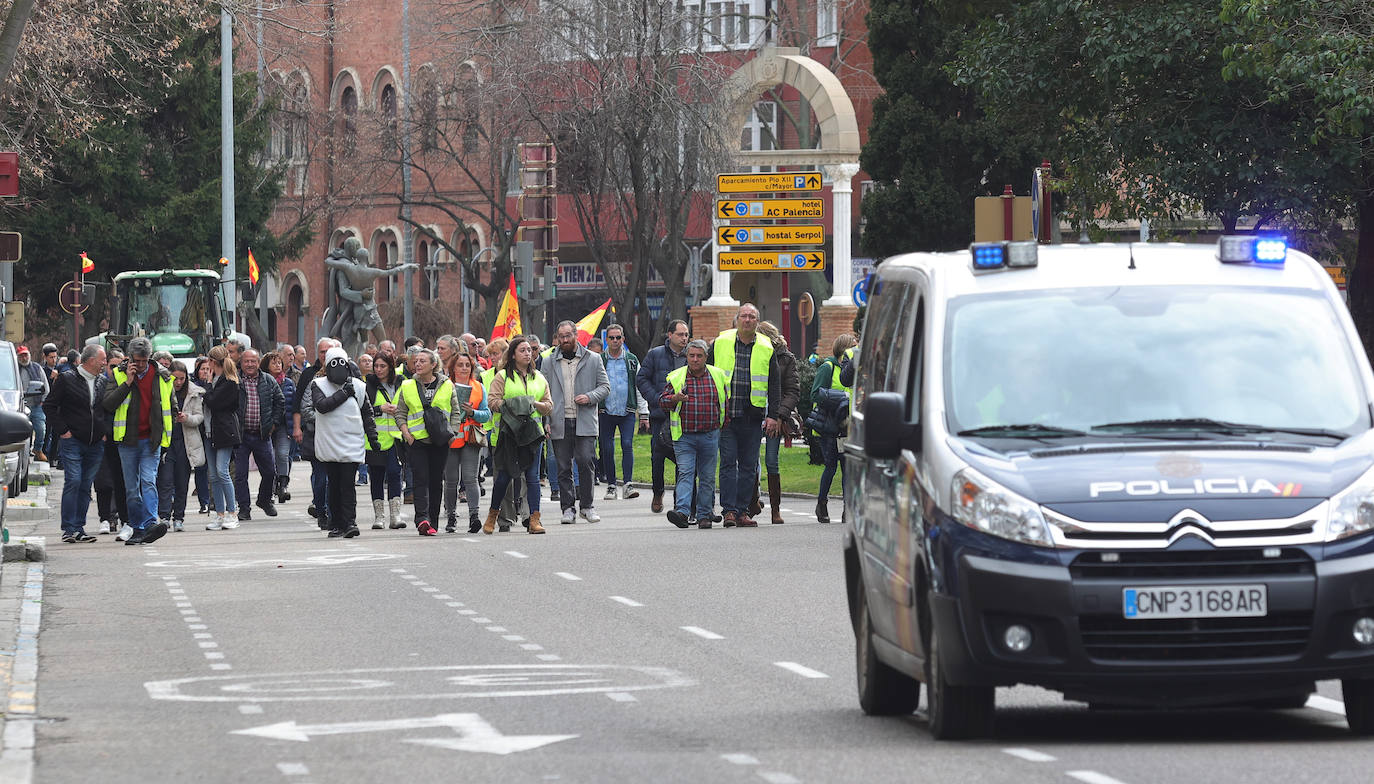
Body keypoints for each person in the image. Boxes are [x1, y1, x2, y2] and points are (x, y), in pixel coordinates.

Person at [710, 303, 780, 528]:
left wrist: (773, 415)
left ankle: (742, 511)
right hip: (726, 415)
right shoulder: (720, 342)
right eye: (744, 316)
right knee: (729, 463)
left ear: (757, 322)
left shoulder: (766, 347)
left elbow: (774, 384)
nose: (747, 320)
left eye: (752, 317)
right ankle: (729, 510)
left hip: (752, 415)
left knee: (749, 466)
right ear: (737, 320)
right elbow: (707, 375)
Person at [101, 337, 173, 545]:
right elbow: (108, 404)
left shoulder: (162, 375)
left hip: (152, 440)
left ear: (149, 357)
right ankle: (138, 528)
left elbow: (170, 407)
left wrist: (166, 437)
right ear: (130, 358)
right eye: (137, 361)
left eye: (144, 360)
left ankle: (151, 523)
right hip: (127, 441)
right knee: (132, 488)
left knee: (149, 481)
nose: (140, 365)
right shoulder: (118, 375)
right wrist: (128, 383)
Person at [304, 346, 380, 538]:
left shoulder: (359, 386)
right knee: (334, 484)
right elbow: (321, 406)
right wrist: (344, 394)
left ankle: (350, 522)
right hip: (329, 442)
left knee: (347, 484)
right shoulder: (318, 384)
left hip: (351, 442)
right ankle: (336, 522)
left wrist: (373, 437)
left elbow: (367, 413)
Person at [544, 320, 610, 524]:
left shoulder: (593, 359)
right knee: (563, 466)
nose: (564, 340)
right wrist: (545, 419)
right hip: (558, 420)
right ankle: (568, 508)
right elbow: (542, 392)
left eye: (568, 336)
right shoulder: (548, 362)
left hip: (585, 420)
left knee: (585, 461)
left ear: (576, 335)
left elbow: (605, 387)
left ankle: (588, 507)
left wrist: (589, 397)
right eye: (561, 336)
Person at [485, 335, 552, 535]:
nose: (527, 353)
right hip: (509, 433)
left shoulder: (538, 377)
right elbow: (492, 401)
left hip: (532, 434)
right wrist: (514, 404)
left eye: (529, 350)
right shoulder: (502, 376)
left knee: (532, 477)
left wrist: (533, 404)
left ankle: (534, 519)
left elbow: (549, 406)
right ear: (513, 355)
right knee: (505, 477)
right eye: (522, 350)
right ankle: (492, 515)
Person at [661, 340, 729, 529]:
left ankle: (704, 514)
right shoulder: (676, 377)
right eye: (691, 355)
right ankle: (682, 511)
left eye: (699, 356)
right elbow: (662, 401)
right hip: (684, 436)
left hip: (710, 433)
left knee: (707, 477)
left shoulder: (717, 376)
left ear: (706, 357)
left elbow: (725, 403)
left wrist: (722, 426)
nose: (695, 359)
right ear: (687, 357)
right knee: (686, 473)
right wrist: (675, 398)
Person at [43, 344, 108, 543]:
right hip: (72, 441)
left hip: (96, 442)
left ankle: (79, 528)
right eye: (102, 360)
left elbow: (105, 409)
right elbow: (49, 406)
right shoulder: (67, 379)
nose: (104, 364)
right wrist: (63, 431)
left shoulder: (102, 382)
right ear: (90, 361)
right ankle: (68, 528)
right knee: (74, 480)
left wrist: (104, 432)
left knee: (86, 484)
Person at [396, 348, 454, 536]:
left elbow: (455, 412)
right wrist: (407, 434)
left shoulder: (447, 384)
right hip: (417, 441)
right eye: (416, 361)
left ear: (433, 364)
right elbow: (400, 413)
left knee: (436, 481)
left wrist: (453, 435)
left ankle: (434, 522)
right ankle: (422, 519)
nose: (418, 364)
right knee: (420, 479)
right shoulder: (407, 385)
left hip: (440, 441)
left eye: (422, 361)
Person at [636, 319, 689, 513]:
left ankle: (680, 500)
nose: (684, 338)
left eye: (686, 335)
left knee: (682, 458)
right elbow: (641, 378)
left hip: (684, 415)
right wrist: (656, 399)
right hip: (660, 415)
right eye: (680, 334)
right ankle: (658, 492)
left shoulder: (690, 356)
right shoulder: (655, 354)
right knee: (657, 457)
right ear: (670, 335)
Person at [754, 321, 800, 525]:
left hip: (775, 414)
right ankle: (752, 502)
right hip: (753, 414)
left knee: (771, 460)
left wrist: (780, 415)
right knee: (749, 461)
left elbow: (792, 390)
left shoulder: (786, 358)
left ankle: (775, 509)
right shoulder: (752, 352)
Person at [811, 333, 857, 524]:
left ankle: (848, 508)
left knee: (848, 469)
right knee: (830, 467)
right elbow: (815, 394)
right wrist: (837, 398)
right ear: (844, 348)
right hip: (829, 427)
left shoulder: (853, 369)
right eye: (853, 345)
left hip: (847, 426)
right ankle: (822, 503)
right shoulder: (828, 367)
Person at [443, 350, 491, 533]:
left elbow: (486, 415)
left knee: (471, 479)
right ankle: (451, 517)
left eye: (467, 365)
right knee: (451, 480)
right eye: (460, 365)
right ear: (453, 367)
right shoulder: (445, 386)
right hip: (451, 437)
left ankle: (474, 517)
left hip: (471, 436)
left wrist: (473, 413)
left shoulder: (478, 387)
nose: (464, 368)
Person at [234, 349, 284, 521]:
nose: (249, 364)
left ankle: (264, 500)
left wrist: (274, 424)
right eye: (246, 361)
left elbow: (280, 401)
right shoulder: (235, 380)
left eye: (253, 361)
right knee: (240, 475)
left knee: (270, 472)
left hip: (262, 434)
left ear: (258, 363)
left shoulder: (268, 380)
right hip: (241, 436)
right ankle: (244, 508)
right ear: (241, 363)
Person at [156, 362, 203, 532]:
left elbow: (199, 417)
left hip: (185, 442)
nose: (178, 382)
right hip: (167, 442)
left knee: (182, 482)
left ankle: (179, 518)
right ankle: (164, 516)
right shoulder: (163, 388)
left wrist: (187, 418)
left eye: (182, 379)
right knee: (165, 481)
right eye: (175, 378)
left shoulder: (194, 393)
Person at [597, 324, 641, 501]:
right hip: (605, 411)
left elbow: (638, 385)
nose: (615, 341)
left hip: (627, 410)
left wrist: (643, 413)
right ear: (606, 340)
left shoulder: (631, 360)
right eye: (611, 338)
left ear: (623, 339)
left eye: (618, 337)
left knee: (627, 444)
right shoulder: (599, 360)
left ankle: (628, 484)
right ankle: (611, 485)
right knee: (607, 448)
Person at [201, 345, 241, 530]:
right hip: (210, 431)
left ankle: (232, 512)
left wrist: (208, 385)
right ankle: (219, 513)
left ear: (212, 362)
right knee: (214, 475)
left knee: (222, 471)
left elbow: (213, 401)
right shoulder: (217, 381)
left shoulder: (229, 382)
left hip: (224, 431)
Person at [364, 352, 406, 530]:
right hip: (375, 440)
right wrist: (380, 409)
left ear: (391, 366)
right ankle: (379, 516)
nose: (379, 370)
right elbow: (363, 410)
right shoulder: (368, 385)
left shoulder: (401, 382)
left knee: (395, 474)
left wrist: (399, 409)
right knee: (377, 476)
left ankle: (395, 516)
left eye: (383, 366)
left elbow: (410, 405)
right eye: (376, 366)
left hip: (396, 438)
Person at [94, 349, 129, 536]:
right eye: (112, 366)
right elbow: (97, 409)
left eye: (119, 366)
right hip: (104, 437)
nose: (115, 369)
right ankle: (105, 518)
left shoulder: (125, 381)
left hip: (122, 437)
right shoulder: (100, 384)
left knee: (121, 481)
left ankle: (123, 518)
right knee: (103, 481)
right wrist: (102, 431)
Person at [263, 351, 296, 504]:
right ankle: (271, 487)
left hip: (284, 425)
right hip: (267, 425)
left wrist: (295, 426)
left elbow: (294, 405)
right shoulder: (263, 382)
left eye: (279, 363)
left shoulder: (288, 383)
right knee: (269, 457)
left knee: (282, 454)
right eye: (274, 363)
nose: (277, 365)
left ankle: (282, 486)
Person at [17, 346, 49, 462]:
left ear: (29, 355)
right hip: (20, 406)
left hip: (37, 405)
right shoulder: (14, 369)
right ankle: (20, 455)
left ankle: (38, 450)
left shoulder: (37, 368)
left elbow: (45, 387)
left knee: (41, 429)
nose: (24, 357)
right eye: (21, 355)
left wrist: (42, 401)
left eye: (25, 355)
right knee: (20, 432)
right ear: (17, 356)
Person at [355, 352, 374, 486]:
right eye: (364, 361)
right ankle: (362, 476)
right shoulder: (356, 379)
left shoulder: (374, 379)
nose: (367, 363)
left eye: (369, 361)